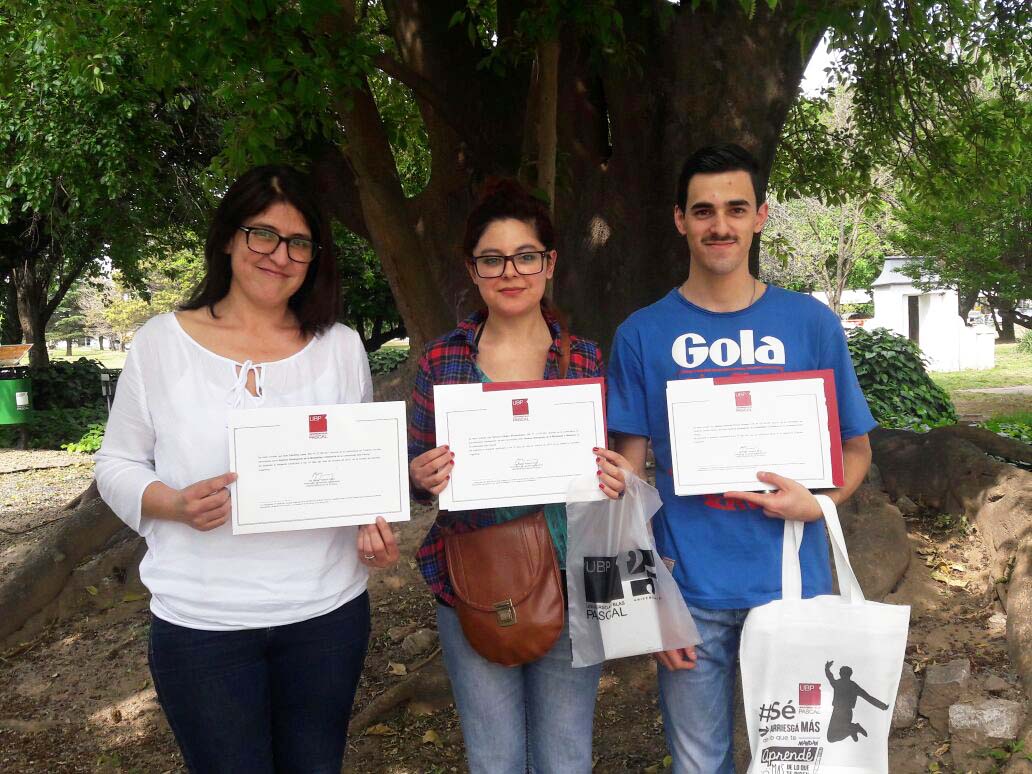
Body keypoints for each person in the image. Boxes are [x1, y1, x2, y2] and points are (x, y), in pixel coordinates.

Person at [95, 164, 400, 774]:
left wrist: (374, 522)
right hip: (202, 623)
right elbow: (115, 463)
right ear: (230, 238)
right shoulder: (162, 342)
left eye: (299, 242)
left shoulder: (339, 347)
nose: (279, 255)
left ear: (315, 256)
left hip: (327, 615)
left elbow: (358, 466)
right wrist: (173, 502)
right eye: (263, 234)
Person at [606, 143, 877, 773]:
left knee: (800, 764)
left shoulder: (811, 323)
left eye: (735, 208)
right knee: (699, 765)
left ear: (760, 215)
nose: (719, 225)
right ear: (680, 220)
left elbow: (856, 449)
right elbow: (626, 481)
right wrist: (644, 607)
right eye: (703, 211)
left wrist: (822, 502)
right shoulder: (642, 333)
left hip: (792, 587)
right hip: (687, 591)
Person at [407, 179, 629, 774]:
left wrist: (612, 473)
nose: (511, 271)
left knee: (565, 757)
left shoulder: (582, 357)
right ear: (472, 270)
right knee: (495, 758)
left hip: (574, 577)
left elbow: (601, 468)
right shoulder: (442, 361)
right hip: (477, 581)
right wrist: (420, 474)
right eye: (492, 259)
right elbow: (411, 475)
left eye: (526, 256)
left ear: (549, 264)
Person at [824, 660, 890, 743]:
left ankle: (853, 728)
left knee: (831, 737)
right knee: (832, 737)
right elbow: (869, 698)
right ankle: (852, 729)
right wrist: (883, 706)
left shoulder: (837, 683)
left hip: (837, 712)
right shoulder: (853, 686)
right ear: (850, 675)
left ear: (840, 674)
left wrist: (827, 668)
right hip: (847, 713)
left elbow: (830, 676)